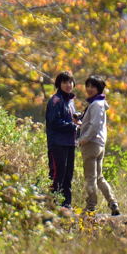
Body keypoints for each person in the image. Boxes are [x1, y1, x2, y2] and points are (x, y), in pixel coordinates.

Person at [77, 75, 120, 216]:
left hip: (91, 144)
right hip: (100, 144)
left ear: (99, 88)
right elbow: (93, 124)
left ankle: (90, 207)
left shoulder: (95, 104)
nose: (89, 89)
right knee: (99, 177)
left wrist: (84, 138)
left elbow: (94, 125)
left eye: (92, 86)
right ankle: (113, 202)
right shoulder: (100, 103)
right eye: (87, 86)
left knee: (90, 178)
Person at [45, 71, 79, 208]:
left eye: (70, 82)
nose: (68, 85)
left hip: (70, 143)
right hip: (57, 143)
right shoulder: (56, 101)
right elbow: (54, 122)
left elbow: (71, 121)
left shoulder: (70, 102)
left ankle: (66, 204)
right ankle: (53, 204)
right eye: (65, 82)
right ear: (59, 84)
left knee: (68, 175)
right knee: (57, 174)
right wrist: (72, 126)